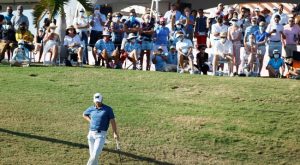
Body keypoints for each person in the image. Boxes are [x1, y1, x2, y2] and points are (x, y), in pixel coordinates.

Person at [83, 93, 119, 165]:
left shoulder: (108, 109)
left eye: (99, 101)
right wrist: (90, 121)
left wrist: (115, 132)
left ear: (102, 100)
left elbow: (112, 121)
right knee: (93, 157)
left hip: (100, 135)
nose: (97, 102)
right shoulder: (91, 108)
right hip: (91, 135)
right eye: (96, 101)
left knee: (94, 156)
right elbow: (84, 114)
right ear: (93, 100)